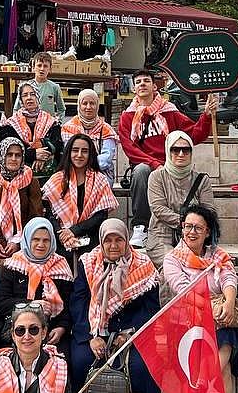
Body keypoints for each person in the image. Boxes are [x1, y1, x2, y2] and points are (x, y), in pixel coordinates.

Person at [69, 218, 161, 393]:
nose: (113, 246)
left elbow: (151, 309)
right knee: (80, 361)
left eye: (118, 240)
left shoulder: (143, 265)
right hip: (94, 331)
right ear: (101, 242)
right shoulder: (89, 263)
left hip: (132, 333)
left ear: (127, 240)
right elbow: (78, 303)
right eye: (108, 241)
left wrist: (129, 334)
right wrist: (90, 337)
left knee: (141, 367)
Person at [118, 70, 218, 246]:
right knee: (141, 171)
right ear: (134, 89)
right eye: (138, 82)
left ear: (154, 87)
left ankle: (189, 225)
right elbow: (129, 148)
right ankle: (140, 226)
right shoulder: (127, 116)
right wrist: (154, 164)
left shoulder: (169, 111)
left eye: (146, 81)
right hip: (145, 166)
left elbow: (193, 135)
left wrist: (207, 116)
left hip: (171, 164)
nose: (142, 84)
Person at [164, 205, 238, 393]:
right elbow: (184, 291)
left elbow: (229, 279)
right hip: (187, 319)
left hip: (220, 318)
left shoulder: (218, 255)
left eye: (198, 228)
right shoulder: (173, 259)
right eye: (188, 226)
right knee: (222, 370)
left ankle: (205, 380)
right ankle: (205, 380)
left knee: (225, 333)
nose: (192, 232)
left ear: (207, 231)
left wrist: (229, 303)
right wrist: (212, 310)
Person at [0, 303, 70, 393]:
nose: (27, 336)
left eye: (33, 329)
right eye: (20, 330)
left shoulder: (58, 368)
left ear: (43, 333)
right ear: (13, 335)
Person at [0, 218, 74, 347]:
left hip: (51, 332)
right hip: (18, 331)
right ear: (27, 239)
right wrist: (31, 305)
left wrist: (62, 327)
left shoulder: (61, 266)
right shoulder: (14, 265)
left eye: (46, 240)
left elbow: (69, 304)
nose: (41, 245)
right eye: (35, 239)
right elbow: (1, 303)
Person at [143, 131, 216, 268]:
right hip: (162, 236)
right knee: (173, 265)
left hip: (194, 236)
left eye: (186, 150)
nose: (181, 154)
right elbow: (158, 208)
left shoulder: (202, 180)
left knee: (200, 266)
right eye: (175, 150)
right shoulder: (157, 177)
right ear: (168, 151)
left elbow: (209, 210)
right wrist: (186, 223)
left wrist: (192, 227)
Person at [43, 134, 117, 264]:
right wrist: (62, 233)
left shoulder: (99, 180)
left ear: (91, 154)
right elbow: (49, 213)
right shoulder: (57, 179)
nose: (79, 155)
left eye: (84, 151)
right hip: (61, 237)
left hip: (90, 236)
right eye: (75, 150)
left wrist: (74, 230)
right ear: (68, 152)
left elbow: (101, 215)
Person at [0, 137, 45, 263]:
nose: (14, 159)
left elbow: (35, 217)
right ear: (1, 156)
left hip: (24, 237)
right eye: (9, 155)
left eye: (18, 155)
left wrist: (18, 242)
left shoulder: (31, 181)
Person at [0, 82, 64, 182]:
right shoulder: (11, 124)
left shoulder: (50, 121)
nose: (29, 98)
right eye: (25, 95)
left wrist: (43, 155)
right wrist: (33, 154)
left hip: (47, 173)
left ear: (38, 97)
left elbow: (57, 144)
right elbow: (7, 148)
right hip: (18, 174)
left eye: (32, 94)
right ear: (21, 99)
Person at [60, 89, 118, 180]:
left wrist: (89, 170)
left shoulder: (106, 129)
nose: (88, 107)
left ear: (97, 105)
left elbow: (107, 157)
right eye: (84, 103)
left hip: (101, 172)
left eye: (92, 103)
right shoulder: (69, 128)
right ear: (79, 105)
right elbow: (70, 154)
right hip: (75, 172)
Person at [28, 51, 66, 118]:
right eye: (39, 65)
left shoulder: (54, 87)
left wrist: (58, 122)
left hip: (48, 123)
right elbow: (16, 109)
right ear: (33, 67)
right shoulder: (26, 87)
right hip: (30, 122)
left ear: (50, 69)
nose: (42, 69)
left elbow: (61, 109)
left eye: (45, 66)